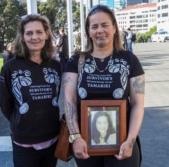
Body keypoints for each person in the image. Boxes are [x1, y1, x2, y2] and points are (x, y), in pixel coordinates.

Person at [59, 4, 145, 167]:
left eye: (105, 25)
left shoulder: (130, 60)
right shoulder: (75, 61)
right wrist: (75, 137)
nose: (100, 30)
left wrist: (130, 140)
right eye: (94, 26)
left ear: (114, 28)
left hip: (122, 144)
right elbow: (69, 101)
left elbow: (138, 104)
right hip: (85, 145)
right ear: (89, 32)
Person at [0, 14, 62, 167]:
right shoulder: (10, 68)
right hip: (24, 143)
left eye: (39, 32)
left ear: (46, 34)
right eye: (29, 33)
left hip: (52, 138)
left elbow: (55, 97)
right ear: (22, 37)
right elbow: (5, 105)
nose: (35, 37)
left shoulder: (55, 65)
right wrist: (21, 122)